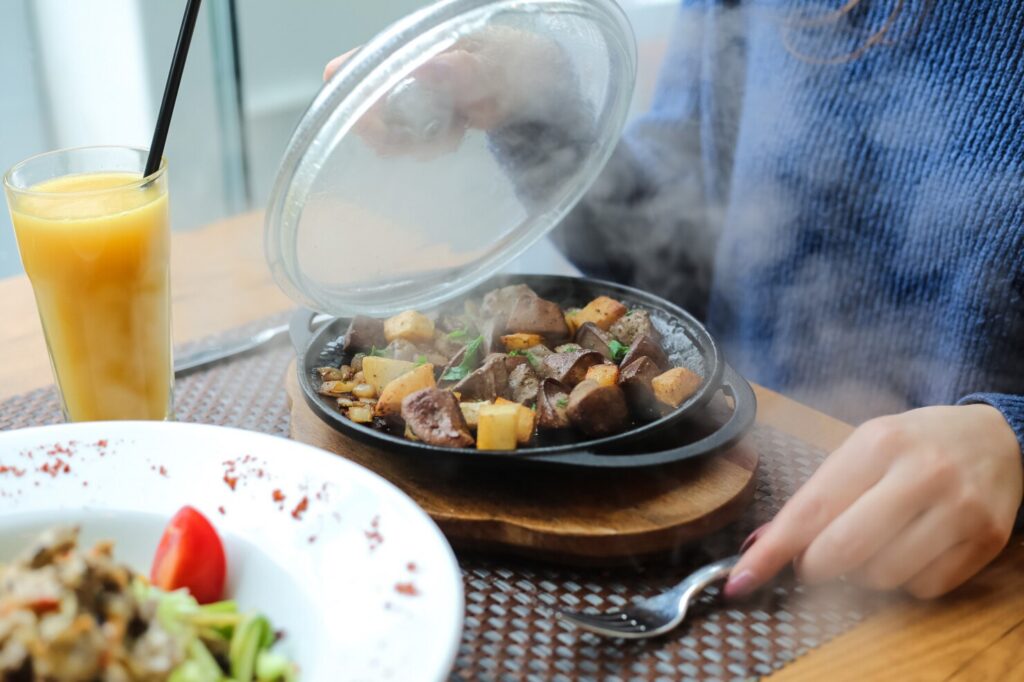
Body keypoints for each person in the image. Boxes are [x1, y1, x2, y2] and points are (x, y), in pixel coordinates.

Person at [325, 0, 1024, 599]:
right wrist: (529, 104)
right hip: (718, 468)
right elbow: (672, 251)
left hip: (968, 582)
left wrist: (1013, 442)